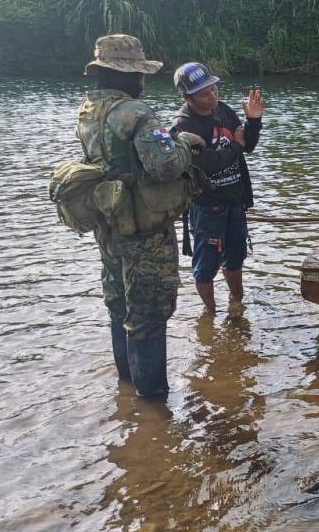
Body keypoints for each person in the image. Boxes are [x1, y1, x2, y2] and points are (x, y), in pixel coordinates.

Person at [76, 34, 203, 399]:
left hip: (109, 224)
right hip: (145, 231)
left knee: (119, 304)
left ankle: (128, 390)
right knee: (148, 314)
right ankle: (155, 403)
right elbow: (163, 165)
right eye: (140, 74)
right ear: (129, 75)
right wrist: (185, 143)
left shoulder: (87, 110)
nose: (143, 80)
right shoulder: (136, 113)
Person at [170, 62, 264, 319]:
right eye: (204, 94)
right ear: (187, 97)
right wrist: (235, 144)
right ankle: (209, 315)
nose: (212, 97)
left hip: (234, 200)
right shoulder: (183, 125)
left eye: (214, 90)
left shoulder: (223, 111)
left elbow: (248, 146)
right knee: (205, 265)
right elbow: (208, 165)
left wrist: (254, 121)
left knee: (235, 256)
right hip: (206, 205)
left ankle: (237, 305)